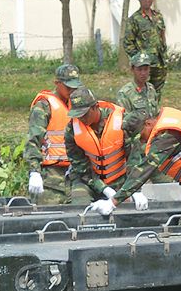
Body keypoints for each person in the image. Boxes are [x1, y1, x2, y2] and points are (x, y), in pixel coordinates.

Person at [65, 87, 148, 212]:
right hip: (88, 180)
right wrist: (104, 189)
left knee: (128, 210)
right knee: (80, 208)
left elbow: (133, 158)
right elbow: (80, 167)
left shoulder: (121, 121)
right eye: (78, 115)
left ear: (95, 106)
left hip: (120, 179)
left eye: (85, 114)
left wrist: (135, 188)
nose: (81, 118)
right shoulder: (72, 129)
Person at [25, 63, 83, 205]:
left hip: (73, 176)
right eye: (68, 87)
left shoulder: (78, 105)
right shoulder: (44, 105)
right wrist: (34, 172)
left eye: (75, 87)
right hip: (49, 178)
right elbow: (33, 140)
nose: (72, 90)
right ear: (57, 83)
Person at [116, 52, 164, 182]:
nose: (143, 73)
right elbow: (123, 123)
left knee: (164, 182)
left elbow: (156, 113)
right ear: (133, 70)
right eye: (140, 69)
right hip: (135, 146)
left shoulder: (151, 89)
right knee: (133, 184)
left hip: (153, 143)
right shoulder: (125, 93)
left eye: (146, 69)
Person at [123, 0, 168, 96]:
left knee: (157, 91)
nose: (147, 1)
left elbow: (162, 35)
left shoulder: (158, 17)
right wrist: (138, 60)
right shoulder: (134, 19)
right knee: (142, 90)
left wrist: (164, 50)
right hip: (144, 64)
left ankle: (154, 111)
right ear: (139, 0)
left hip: (159, 61)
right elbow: (128, 43)